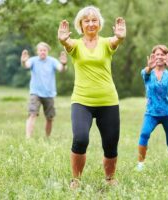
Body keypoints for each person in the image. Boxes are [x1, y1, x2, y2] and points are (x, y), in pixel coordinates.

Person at [57, 6, 126, 188]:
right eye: (86, 20)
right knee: (80, 139)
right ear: (80, 24)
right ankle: (76, 180)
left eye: (94, 20)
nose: (90, 23)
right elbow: (68, 45)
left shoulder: (106, 43)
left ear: (99, 24)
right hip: (82, 101)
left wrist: (119, 37)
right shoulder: (76, 45)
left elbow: (115, 42)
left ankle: (110, 178)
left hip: (108, 101)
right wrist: (63, 41)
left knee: (110, 143)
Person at [136, 45, 168, 173]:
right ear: (153, 57)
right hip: (151, 113)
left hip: (167, 113)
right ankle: (140, 164)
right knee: (144, 134)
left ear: (166, 57)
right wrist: (149, 67)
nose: (159, 57)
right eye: (157, 54)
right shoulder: (147, 72)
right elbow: (145, 73)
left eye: (162, 54)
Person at [21, 42, 67, 139]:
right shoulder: (33, 60)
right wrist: (24, 61)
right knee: (32, 114)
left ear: (47, 52)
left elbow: (61, 69)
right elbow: (26, 65)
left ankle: (47, 138)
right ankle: (28, 138)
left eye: (44, 50)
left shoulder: (52, 61)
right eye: (40, 50)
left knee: (49, 118)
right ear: (37, 51)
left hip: (49, 94)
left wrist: (63, 64)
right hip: (35, 93)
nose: (42, 52)